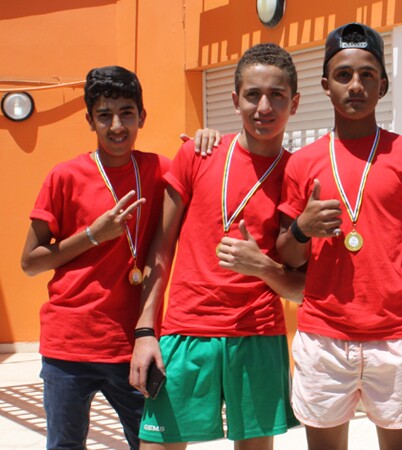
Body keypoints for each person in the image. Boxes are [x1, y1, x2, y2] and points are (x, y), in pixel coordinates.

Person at [276, 22, 402, 450]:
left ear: (383, 85)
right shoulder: (302, 163)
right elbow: (288, 255)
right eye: (343, 75)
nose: (355, 86)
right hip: (323, 336)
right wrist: (303, 228)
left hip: (394, 334)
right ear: (325, 85)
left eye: (367, 75)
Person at [129, 43, 303, 449]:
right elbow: (161, 247)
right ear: (234, 99)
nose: (264, 106)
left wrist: (261, 266)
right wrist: (144, 331)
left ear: (294, 103)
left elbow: (300, 286)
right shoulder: (197, 153)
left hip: (258, 334)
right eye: (253, 95)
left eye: (277, 95)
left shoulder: (297, 172)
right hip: (186, 331)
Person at [20, 65, 169, 450]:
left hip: (132, 345)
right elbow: (31, 261)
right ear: (90, 120)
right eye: (104, 115)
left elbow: (205, 178)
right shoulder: (64, 176)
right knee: (66, 446)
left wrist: (206, 141)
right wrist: (92, 236)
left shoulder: (158, 170)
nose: (117, 125)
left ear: (142, 116)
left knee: (153, 444)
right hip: (68, 345)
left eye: (126, 113)